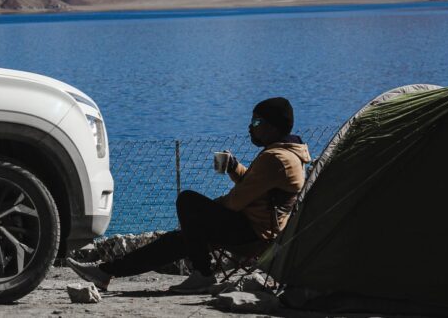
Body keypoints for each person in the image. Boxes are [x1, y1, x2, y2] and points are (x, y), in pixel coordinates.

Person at [67, 97, 311, 294]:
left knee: (188, 201)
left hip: (253, 235)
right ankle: (105, 272)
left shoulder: (276, 158)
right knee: (178, 240)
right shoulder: (287, 154)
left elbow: (236, 201)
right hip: (257, 228)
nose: (251, 127)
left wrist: (205, 212)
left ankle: (203, 274)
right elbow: (259, 187)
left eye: (257, 122)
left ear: (273, 126)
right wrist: (235, 168)